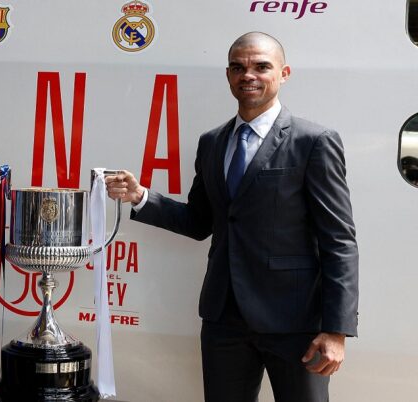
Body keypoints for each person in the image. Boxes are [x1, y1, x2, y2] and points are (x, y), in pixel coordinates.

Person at [106, 32, 358, 402]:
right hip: (224, 318)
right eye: (238, 67)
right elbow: (198, 222)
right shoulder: (212, 142)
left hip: (296, 321)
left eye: (261, 66)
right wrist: (141, 197)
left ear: (284, 73)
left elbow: (339, 241)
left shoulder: (313, 141)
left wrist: (336, 330)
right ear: (228, 75)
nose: (248, 75)